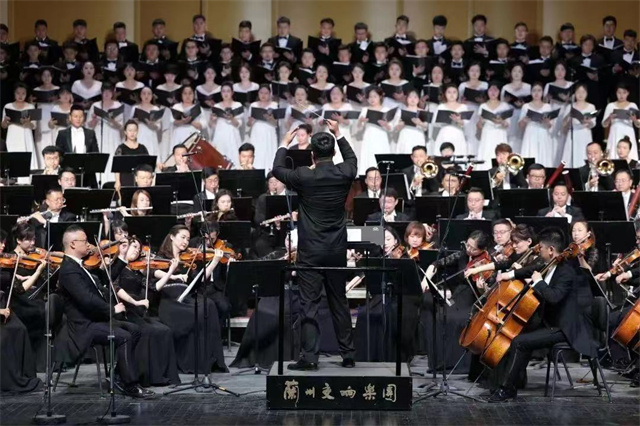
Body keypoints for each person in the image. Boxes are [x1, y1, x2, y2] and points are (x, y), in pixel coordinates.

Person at [272, 119, 357, 370]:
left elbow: (277, 170)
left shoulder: (304, 175)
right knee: (339, 301)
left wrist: (284, 143)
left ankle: (310, 357)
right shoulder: (345, 172)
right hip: (336, 248)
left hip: (310, 250)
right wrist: (339, 133)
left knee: (309, 304)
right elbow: (351, 159)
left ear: (312, 154)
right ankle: (348, 354)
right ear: (333, 152)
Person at [489, 229, 597, 402]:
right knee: (516, 336)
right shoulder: (552, 264)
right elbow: (532, 269)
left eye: (542, 249)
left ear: (551, 250)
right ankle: (508, 383)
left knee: (519, 342)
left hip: (565, 328)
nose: (539, 252)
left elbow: (554, 297)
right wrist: (510, 274)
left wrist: (538, 282)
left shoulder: (566, 272)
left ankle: (506, 389)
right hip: (551, 322)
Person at [57, 225, 153, 398]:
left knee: (135, 330)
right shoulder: (68, 270)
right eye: (84, 241)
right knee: (124, 337)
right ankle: (130, 385)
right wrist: (112, 309)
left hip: (95, 320)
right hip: (83, 326)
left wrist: (121, 256)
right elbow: (86, 299)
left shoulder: (80, 266)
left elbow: (105, 280)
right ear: (72, 244)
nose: (89, 245)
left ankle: (119, 377)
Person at [152, 225, 228, 374]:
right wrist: (173, 274)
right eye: (182, 237)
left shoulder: (188, 259)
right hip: (170, 298)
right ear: (172, 237)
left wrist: (214, 262)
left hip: (186, 295)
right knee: (199, 311)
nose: (186, 242)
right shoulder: (160, 258)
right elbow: (154, 272)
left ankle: (208, 361)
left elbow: (199, 280)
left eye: (188, 239)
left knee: (209, 305)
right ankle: (190, 362)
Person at [423, 230, 491, 373]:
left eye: (473, 248)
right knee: (440, 315)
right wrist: (425, 279)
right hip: (458, 295)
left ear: (483, 249)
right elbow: (437, 263)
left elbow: (486, 293)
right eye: (468, 245)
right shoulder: (462, 254)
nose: (469, 250)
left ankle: (457, 364)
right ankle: (440, 362)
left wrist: (481, 287)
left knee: (453, 319)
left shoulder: (488, 262)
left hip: (473, 299)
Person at [1, 83, 38, 170]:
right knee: (13, 158)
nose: (20, 96)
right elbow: (3, 126)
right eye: (18, 93)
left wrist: (28, 122)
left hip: (26, 136)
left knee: (27, 158)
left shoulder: (31, 107)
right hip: (12, 136)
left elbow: (34, 126)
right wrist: (5, 121)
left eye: (23, 93)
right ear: (14, 93)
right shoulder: (8, 106)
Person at [519, 82, 555, 167]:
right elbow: (520, 126)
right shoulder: (526, 106)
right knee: (530, 153)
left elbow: (551, 125)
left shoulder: (547, 106)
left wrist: (547, 122)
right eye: (534, 90)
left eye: (539, 90)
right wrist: (524, 120)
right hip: (530, 133)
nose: (536, 93)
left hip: (543, 133)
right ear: (531, 92)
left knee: (543, 155)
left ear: (542, 92)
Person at [560, 83, 596, 167]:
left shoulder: (591, 106)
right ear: (575, 94)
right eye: (578, 92)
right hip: (573, 133)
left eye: (583, 92)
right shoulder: (570, 106)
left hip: (585, 133)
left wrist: (588, 121)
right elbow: (564, 123)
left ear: (586, 93)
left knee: (585, 154)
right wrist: (569, 116)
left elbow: (593, 124)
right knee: (571, 156)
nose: (580, 94)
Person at [602, 82, 640, 160]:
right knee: (614, 153)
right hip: (615, 132)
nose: (621, 95)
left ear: (628, 93)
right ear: (616, 93)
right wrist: (610, 118)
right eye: (619, 93)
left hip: (628, 131)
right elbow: (604, 124)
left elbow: (638, 124)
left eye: (624, 93)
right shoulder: (610, 106)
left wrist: (634, 119)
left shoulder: (632, 105)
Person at [476, 81, 510, 168]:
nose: (493, 92)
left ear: (499, 92)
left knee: (501, 153)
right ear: (487, 92)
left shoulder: (504, 106)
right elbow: (479, 126)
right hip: (487, 133)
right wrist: (481, 121)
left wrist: (501, 121)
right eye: (491, 90)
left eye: (495, 90)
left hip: (500, 132)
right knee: (487, 152)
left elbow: (507, 124)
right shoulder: (483, 106)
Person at [114, 120, 149, 190]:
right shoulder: (121, 148)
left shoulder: (142, 148)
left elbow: (148, 164)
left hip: (140, 180)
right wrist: (117, 181)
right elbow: (117, 167)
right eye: (130, 130)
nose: (132, 133)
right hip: (125, 179)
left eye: (134, 130)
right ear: (125, 132)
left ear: (137, 132)